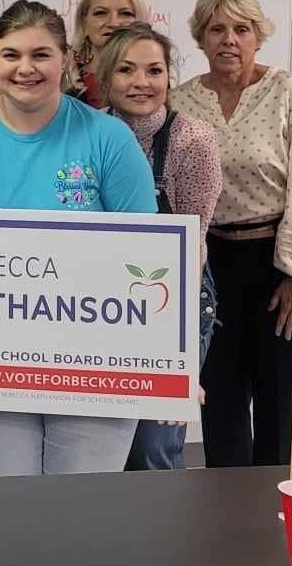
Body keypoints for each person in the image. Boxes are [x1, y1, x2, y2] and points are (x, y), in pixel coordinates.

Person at [0, 0, 156, 476]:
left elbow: (149, 255)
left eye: (41, 55)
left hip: (97, 362)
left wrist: (170, 360)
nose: (25, 68)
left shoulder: (108, 137)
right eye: (11, 55)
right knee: (6, 504)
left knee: (80, 505)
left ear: (65, 58)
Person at [169, 0, 292, 468]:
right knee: (220, 397)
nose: (229, 40)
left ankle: (275, 504)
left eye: (241, 29)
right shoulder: (180, 102)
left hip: (279, 265)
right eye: (217, 29)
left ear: (258, 38)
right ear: (201, 38)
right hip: (210, 266)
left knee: (281, 400)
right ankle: (225, 505)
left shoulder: (290, 93)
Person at [94, 25, 223, 472]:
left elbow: (195, 241)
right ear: (106, 77)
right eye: (126, 70)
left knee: (152, 446)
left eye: (154, 70)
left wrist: (178, 347)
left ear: (169, 76)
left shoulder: (193, 139)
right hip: (98, 306)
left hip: (172, 303)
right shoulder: (87, 135)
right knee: (99, 445)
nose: (141, 82)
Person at [67, 0, 149, 108]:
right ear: (84, 23)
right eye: (101, 13)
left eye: (125, 13)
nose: (113, 23)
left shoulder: (156, 80)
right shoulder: (61, 80)